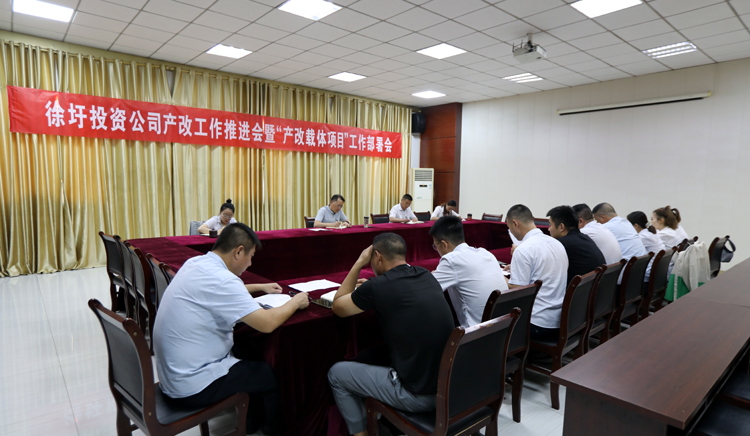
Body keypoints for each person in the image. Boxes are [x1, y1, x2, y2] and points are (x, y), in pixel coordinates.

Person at [153, 223, 310, 435]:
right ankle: (272, 430)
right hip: (193, 385)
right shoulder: (223, 280)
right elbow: (267, 323)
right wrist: (295, 302)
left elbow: (220, 290)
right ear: (238, 252)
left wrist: (260, 287)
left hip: (174, 374)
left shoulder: (196, 263)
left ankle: (251, 420)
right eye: (251, 256)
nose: (250, 263)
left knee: (246, 349)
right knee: (269, 376)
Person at [328, 233, 454, 436]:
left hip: (418, 395)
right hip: (448, 386)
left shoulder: (377, 286)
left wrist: (358, 263)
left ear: (377, 256)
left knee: (336, 374)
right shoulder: (426, 275)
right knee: (372, 355)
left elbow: (338, 307)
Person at [430, 216, 507, 328]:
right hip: (505, 327)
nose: (437, 250)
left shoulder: (452, 260)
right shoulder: (486, 253)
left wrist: (431, 276)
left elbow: (427, 288)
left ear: (444, 244)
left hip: (477, 333)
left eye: (436, 246)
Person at [506, 204, 568, 342]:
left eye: (509, 228)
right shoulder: (557, 243)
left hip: (537, 323)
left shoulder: (523, 249)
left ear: (515, 223)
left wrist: (500, 277)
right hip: (560, 320)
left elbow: (518, 291)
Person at [547, 205, 605, 286]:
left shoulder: (562, 244)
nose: (548, 229)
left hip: (579, 291)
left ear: (561, 227)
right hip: (595, 288)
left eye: (550, 225)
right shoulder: (585, 238)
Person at [627, 211, 666, 280]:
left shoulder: (642, 237)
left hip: (649, 275)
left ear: (635, 226)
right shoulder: (649, 233)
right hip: (658, 273)